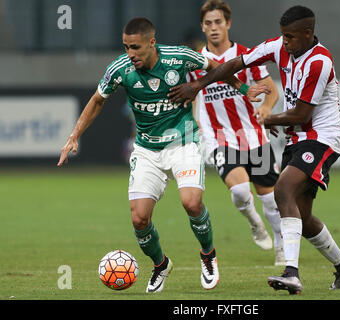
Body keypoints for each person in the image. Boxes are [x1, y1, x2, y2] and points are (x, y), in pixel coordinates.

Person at [57, 17, 268, 293]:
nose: (130, 54)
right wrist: (74, 135)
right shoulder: (120, 69)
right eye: (126, 47)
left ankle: (208, 255)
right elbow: (98, 99)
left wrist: (241, 88)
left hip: (184, 142)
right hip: (147, 149)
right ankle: (160, 264)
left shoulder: (179, 57)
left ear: (152, 43)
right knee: (139, 219)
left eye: (136, 47)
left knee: (191, 203)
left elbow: (217, 67)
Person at [168, 5, 340, 294]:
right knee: (303, 218)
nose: (284, 42)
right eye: (283, 36)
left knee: (281, 191)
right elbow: (234, 65)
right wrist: (198, 85)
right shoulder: (279, 46)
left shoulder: (319, 62)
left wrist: (268, 118)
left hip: (322, 138)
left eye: (290, 37)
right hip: (294, 139)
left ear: (307, 33)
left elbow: (301, 116)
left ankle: (291, 274)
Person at [190, 0, 284, 265]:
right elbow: (190, 96)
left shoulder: (247, 55)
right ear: (202, 27)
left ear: (228, 24)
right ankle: (255, 224)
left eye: (218, 22)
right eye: (208, 23)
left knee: (272, 201)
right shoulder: (196, 61)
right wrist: (193, 121)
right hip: (218, 138)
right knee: (241, 191)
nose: (214, 28)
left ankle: (281, 247)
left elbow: (270, 88)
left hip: (253, 135)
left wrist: (266, 108)